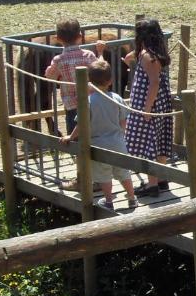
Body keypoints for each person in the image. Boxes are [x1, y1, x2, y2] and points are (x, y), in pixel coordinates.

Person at [60, 59, 137, 211]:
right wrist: (121, 135)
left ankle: (109, 201)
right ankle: (132, 198)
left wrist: (71, 137)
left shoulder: (88, 101)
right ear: (110, 81)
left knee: (104, 175)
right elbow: (123, 122)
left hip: (99, 145)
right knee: (123, 172)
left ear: (89, 82)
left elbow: (81, 125)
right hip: (118, 143)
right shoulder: (116, 98)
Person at [45, 18, 103, 191]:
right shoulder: (89, 55)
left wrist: (55, 71)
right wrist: (100, 51)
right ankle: (99, 179)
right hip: (92, 105)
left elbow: (49, 76)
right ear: (80, 36)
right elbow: (100, 69)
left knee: (78, 142)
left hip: (72, 107)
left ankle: (81, 179)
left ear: (58, 38)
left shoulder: (59, 59)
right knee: (94, 140)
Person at [124, 19, 173, 198]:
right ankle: (160, 179)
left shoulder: (147, 56)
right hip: (159, 104)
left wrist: (146, 109)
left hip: (149, 104)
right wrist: (131, 57)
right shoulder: (154, 53)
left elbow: (154, 83)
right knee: (159, 139)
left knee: (148, 142)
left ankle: (152, 185)